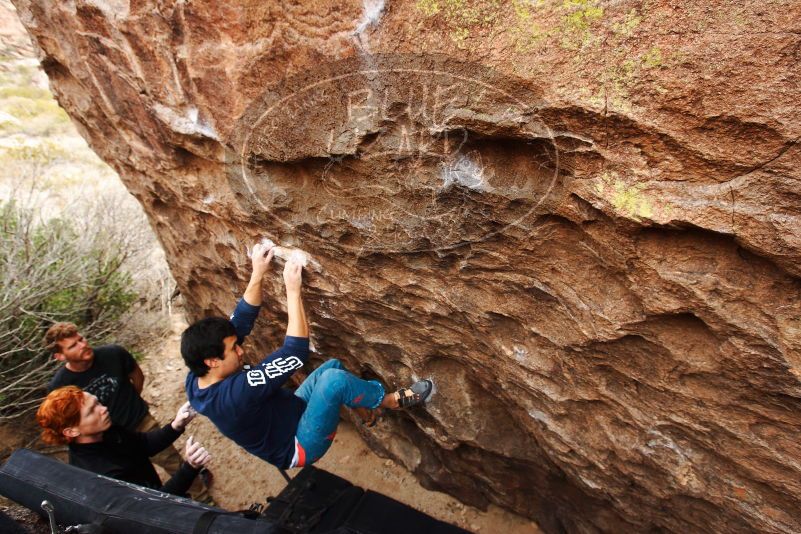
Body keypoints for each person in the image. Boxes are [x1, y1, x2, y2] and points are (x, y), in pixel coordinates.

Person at [181, 242, 433, 470]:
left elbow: (241, 321)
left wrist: (258, 273)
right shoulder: (233, 397)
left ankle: (367, 412)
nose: (241, 350)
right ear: (212, 361)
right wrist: (293, 291)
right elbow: (295, 353)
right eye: (234, 349)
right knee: (333, 380)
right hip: (298, 445)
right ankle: (389, 401)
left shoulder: (197, 378)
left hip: (293, 410)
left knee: (334, 367)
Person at [44, 323, 211, 500]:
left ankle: (204, 500)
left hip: (137, 421)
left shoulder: (112, 354)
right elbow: (149, 503)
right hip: (114, 444)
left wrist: (176, 425)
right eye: (73, 346)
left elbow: (137, 377)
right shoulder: (61, 387)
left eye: (81, 339)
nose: (83, 345)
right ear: (60, 356)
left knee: (171, 462)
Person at [36, 386, 211, 497]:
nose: (103, 409)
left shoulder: (105, 430)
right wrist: (190, 467)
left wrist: (176, 425)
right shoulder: (99, 472)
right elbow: (155, 501)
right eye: (91, 411)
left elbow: (142, 444)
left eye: (97, 403)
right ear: (72, 431)